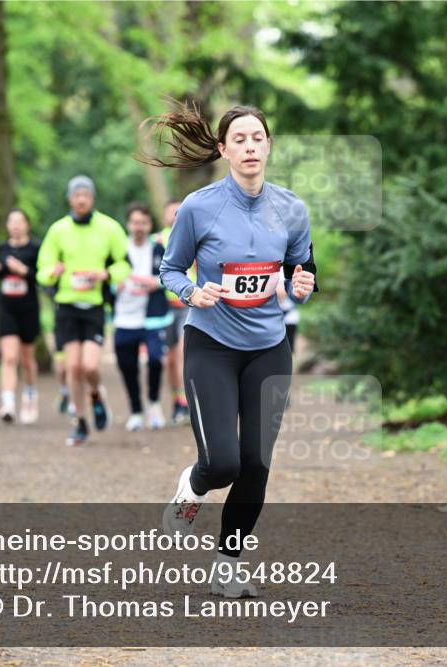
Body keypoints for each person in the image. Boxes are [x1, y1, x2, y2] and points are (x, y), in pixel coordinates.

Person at [142, 103, 317, 598]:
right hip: (211, 344)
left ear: (268, 145)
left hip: (269, 346)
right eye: (238, 139)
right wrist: (191, 292)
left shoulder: (292, 208)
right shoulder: (200, 207)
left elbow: (304, 270)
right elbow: (169, 269)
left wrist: (302, 284)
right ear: (223, 150)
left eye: (257, 138)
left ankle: (228, 562)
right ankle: (192, 488)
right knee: (223, 463)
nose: (249, 147)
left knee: (257, 463)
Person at [36, 175, 131, 446]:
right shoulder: (58, 230)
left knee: (90, 365)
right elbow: (42, 270)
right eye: (76, 195)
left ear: (92, 198)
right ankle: (80, 422)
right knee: (72, 367)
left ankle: (97, 395)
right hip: (66, 306)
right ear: (69, 198)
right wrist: (51, 273)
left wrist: (105, 274)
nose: (81, 199)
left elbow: (124, 264)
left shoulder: (109, 228)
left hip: (94, 306)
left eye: (85, 195)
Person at [113, 202, 172, 431]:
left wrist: (154, 282)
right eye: (135, 222)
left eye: (144, 223)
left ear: (149, 226)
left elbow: (171, 275)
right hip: (124, 317)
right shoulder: (118, 250)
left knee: (156, 359)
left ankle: (154, 403)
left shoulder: (159, 250)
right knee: (127, 365)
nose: (139, 227)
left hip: (153, 316)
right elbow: (108, 276)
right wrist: (113, 286)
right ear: (128, 224)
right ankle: (136, 410)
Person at [0, 208, 41, 424]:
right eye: (12, 221)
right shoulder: (2, 248)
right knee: (9, 357)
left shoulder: (35, 248)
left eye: (20, 221)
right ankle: (8, 403)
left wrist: (24, 271)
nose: (16, 225)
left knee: (27, 359)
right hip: (6, 308)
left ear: (27, 225)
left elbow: (41, 276)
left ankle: (30, 395)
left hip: (28, 309)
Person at [157, 198, 192, 425]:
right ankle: (177, 400)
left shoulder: (194, 237)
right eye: (171, 213)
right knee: (169, 360)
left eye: (179, 212)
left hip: (187, 305)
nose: (175, 216)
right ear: (164, 216)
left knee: (182, 353)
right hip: (162, 307)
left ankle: (187, 403)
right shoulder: (156, 241)